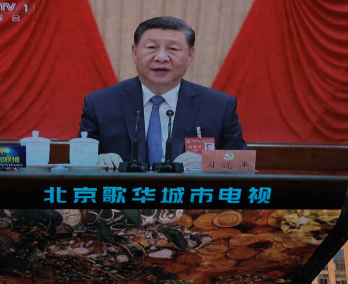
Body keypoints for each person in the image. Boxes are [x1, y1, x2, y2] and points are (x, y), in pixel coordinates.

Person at [79, 16, 247, 171]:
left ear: (190, 55)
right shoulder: (100, 103)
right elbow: (77, 163)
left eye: (173, 49)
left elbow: (243, 163)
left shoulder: (219, 106)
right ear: (135, 53)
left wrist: (208, 162)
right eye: (152, 47)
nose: (161, 57)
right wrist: (96, 160)